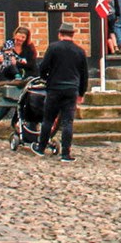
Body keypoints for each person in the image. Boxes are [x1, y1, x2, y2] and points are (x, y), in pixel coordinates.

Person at [34, 23, 90, 161]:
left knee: (48, 119)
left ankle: (41, 148)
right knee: (67, 122)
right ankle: (66, 154)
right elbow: (84, 75)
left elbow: (43, 67)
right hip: (71, 89)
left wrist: (45, 78)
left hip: (54, 88)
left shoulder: (53, 47)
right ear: (73, 35)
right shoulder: (80, 51)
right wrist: (81, 93)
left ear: (60, 34)